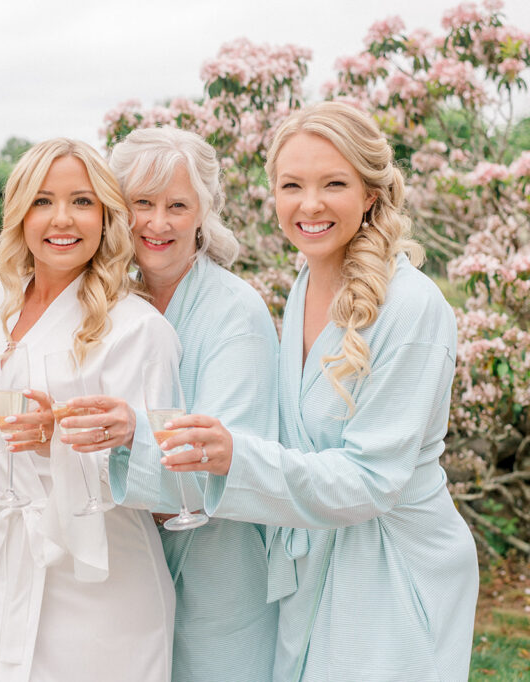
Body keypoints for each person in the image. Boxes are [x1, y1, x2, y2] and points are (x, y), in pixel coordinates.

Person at [164, 101, 479, 681]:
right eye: (292, 185)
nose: (309, 205)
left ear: (371, 194)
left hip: (388, 565)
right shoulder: (305, 283)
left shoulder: (413, 307)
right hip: (312, 560)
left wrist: (237, 457)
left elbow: (372, 480)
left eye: (333, 183)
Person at [0, 138, 180, 682]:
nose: (62, 219)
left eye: (81, 201)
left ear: (106, 216)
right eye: (42, 200)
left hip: (95, 578)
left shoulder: (138, 329)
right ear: (19, 215)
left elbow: (167, 483)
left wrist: (63, 434)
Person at [65, 126, 278, 680]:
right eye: (143, 204)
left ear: (204, 212)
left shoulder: (236, 312)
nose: (158, 223)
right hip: (127, 566)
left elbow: (223, 463)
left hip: (217, 567)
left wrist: (130, 437)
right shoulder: (111, 303)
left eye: (177, 205)